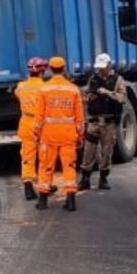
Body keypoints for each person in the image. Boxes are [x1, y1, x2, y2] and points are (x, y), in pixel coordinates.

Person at [32, 56, 85, 211]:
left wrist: (37, 134)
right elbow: (80, 119)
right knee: (69, 167)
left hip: (49, 136)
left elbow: (39, 117)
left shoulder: (44, 90)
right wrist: (80, 136)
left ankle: (42, 201)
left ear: (49, 69)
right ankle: (70, 201)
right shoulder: (73, 89)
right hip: (68, 136)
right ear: (64, 68)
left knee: (46, 167)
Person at [79, 53, 127, 191]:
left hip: (108, 122)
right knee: (88, 150)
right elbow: (85, 95)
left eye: (102, 67)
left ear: (109, 65)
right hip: (94, 121)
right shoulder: (93, 79)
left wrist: (106, 92)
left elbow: (122, 98)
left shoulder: (118, 80)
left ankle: (103, 178)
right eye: (98, 68)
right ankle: (85, 178)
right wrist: (88, 98)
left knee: (107, 150)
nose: (100, 70)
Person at [14, 57, 47, 201]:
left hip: (26, 122)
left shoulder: (21, 86)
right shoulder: (45, 87)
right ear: (43, 71)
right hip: (42, 123)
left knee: (28, 155)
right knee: (44, 155)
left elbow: (17, 94)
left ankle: (28, 186)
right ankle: (44, 185)